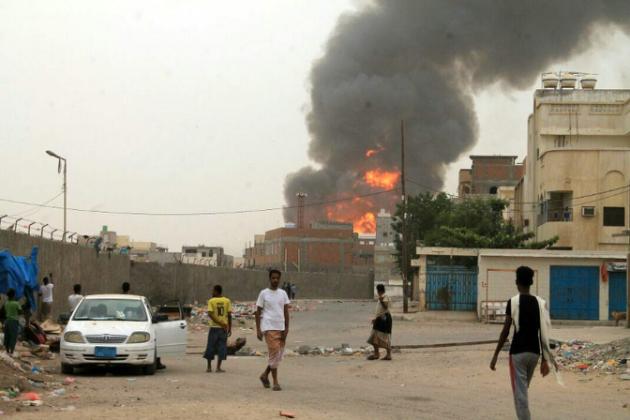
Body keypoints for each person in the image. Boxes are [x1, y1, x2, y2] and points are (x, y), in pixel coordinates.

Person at [490, 266, 557, 420]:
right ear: (531, 282)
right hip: (534, 354)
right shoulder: (540, 303)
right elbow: (544, 333)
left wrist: (495, 355)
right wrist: (545, 360)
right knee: (523, 390)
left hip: (517, 354)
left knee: (520, 395)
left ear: (517, 282)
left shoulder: (512, 302)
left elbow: (505, 331)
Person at [256, 269, 290, 391]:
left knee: (278, 355)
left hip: (280, 327)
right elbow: (258, 311)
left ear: (279, 279)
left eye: (277, 278)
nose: (275, 280)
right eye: (273, 278)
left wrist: (287, 328)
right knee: (274, 352)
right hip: (268, 327)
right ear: (269, 279)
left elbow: (286, 311)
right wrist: (258, 330)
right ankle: (275, 382)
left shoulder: (283, 294)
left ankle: (265, 375)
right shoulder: (264, 293)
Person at [203, 285, 232, 373]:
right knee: (222, 347)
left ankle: (209, 367)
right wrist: (229, 327)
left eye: (213, 291)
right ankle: (218, 368)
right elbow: (229, 315)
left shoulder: (211, 301)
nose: (212, 292)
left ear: (216, 291)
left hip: (214, 328)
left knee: (210, 346)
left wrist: (220, 323)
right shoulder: (227, 301)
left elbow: (210, 314)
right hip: (223, 329)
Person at [367, 284, 392, 361]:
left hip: (385, 319)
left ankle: (388, 355)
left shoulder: (385, 296)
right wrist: (375, 318)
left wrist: (381, 301)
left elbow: (385, 307)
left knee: (385, 336)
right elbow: (380, 310)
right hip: (379, 319)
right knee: (374, 336)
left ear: (379, 290)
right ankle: (376, 354)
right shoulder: (381, 297)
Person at [3, 289, 22, 354]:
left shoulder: (6, 303)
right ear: (14, 295)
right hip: (14, 321)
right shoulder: (16, 303)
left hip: (7, 321)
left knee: (7, 336)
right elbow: (20, 312)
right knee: (13, 336)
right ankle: (11, 351)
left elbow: (6, 311)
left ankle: (7, 350)